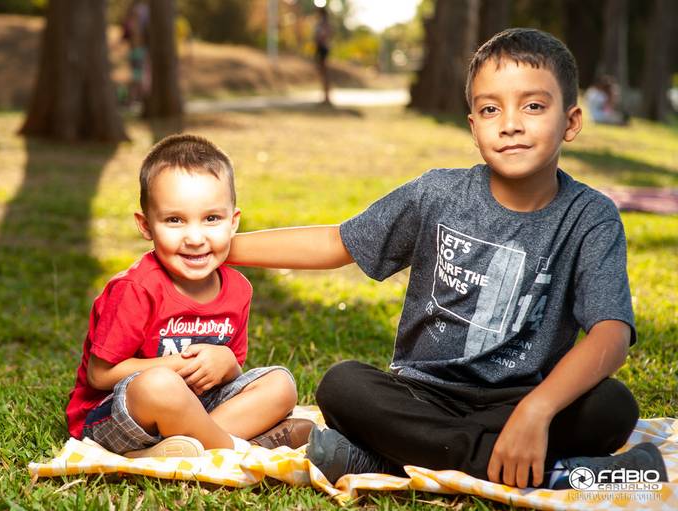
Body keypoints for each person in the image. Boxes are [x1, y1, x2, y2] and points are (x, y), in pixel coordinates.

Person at [227, 28, 667, 488]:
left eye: (533, 106)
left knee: (613, 406)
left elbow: (611, 334)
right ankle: (553, 474)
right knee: (342, 386)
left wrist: (535, 411)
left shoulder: (589, 216)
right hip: (421, 397)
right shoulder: (437, 193)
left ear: (571, 121)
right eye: (490, 109)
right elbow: (339, 242)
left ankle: (384, 462)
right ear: (473, 125)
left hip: (523, 399)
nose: (510, 123)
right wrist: (225, 247)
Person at [66, 134, 314, 458]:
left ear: (233, 221)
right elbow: (99, 376)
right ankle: (238, 449)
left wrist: (227, 363)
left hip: (198, 405)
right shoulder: (136, 289)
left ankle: (187, 445)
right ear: (146, 226)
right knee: (160, 385)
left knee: (281, 384)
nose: (195, 238)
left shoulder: (238, 290)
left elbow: (230, 374)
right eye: (174, 220)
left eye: (212, 218)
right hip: (120, 413)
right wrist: (171, 367)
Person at [314, 7, 333, 106]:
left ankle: (327, 97)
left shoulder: (324, 22)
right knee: (322, 73)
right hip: (321, 48)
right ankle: (325, 96)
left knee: (324, 73)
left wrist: (321, 40)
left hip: (322, 48)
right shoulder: (322, 22)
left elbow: (325, 34)